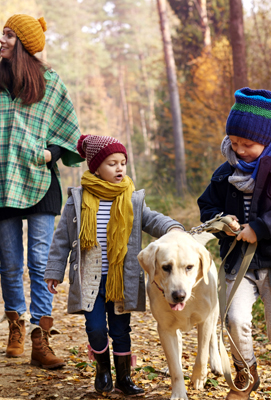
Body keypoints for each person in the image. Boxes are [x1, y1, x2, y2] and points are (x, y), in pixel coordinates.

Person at [0, 14, 83, 369]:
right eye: (2, 34)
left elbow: (68, 128)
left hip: (39, 180)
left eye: (8, 35)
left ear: (22, 43)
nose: (1, 40)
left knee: (39, 261)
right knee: (10, 263)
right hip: (0, 179)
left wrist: (49, 152)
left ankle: (40, 336)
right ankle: (15, 324)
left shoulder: (50, 82)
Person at [44, 134, 184, 396]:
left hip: (122, 278)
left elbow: (152, 220)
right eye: (112, 163)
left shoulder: (131, 198)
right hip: (89, 278)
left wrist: (173, 227)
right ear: (95, 167)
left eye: (123, 162)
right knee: (96, 328)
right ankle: (103, 370)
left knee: (121, 330)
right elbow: (62, 237)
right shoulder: (78, 199)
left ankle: (123, 378)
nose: (120, 168)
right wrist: (54, 270)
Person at [197, 88, 271, 400]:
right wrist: (224, 222)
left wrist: (259, 228)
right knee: (235, 319)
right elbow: (207, 207)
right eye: (234, 142)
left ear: (265, 138)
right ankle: (245, 375)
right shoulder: (224, 173)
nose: (240, 149)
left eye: (247, 144)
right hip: (238, 262)